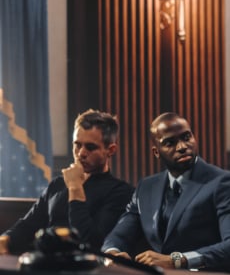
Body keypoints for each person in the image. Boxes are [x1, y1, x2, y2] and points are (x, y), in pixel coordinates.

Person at [102, 112, 230, 272]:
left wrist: (178, 260)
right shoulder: (146, 188)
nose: (182, 147)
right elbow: (118, 236)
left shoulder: (223, 182)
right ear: (156, 152)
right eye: (170, 143)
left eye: (186, 137)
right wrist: (113, 254)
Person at [0, 109, 133, 255]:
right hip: (44, 263)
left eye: (90, 147)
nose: (81, 153)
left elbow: (91, 242)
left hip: (83, 270)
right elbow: (28, 225)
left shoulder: (120, 192)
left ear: (111, 150)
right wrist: (5, 239)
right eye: (77, 145)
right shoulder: (58, 184)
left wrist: (75, 187)